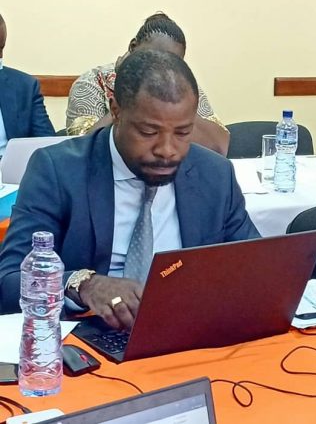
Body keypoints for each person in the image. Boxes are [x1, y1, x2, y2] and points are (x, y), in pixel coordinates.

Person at [0, 49, 259, 327]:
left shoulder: (215, 174)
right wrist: (84, 285)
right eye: (148, 132)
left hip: (190, 329)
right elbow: (10, 281)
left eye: (183, 133)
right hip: (92, 332)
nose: (167, 150)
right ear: (116, 111)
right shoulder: (58, 171)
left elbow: (256, 267)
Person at [66, 12, 229, 156]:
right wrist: (128, 93)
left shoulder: (181, 86)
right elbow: (81, 150)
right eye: (151, 57)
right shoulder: (93, 82)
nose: (159, 71)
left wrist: (181, 109)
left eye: (170, 62)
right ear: (133, 47)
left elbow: (220, 146)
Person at [0, 12, 54, 155]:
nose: (1, 57)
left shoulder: (25, 86)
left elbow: (48, 146)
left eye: (1, 48)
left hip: (12, 167)